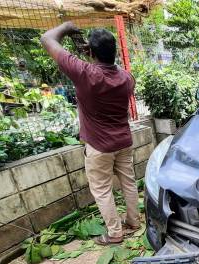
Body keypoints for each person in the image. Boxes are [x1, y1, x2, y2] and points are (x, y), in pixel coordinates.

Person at [40, 21, 140, 245]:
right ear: (114, 51)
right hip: (124, 142)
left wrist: (66, 26)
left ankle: (115, 234)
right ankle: (134, 222)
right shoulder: (127, 78)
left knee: (102, 191)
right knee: (129, 182)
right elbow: (109, 74)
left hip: (99, 146)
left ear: (91, 52)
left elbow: (47, 39)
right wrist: (94, 55)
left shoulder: (85, 73)